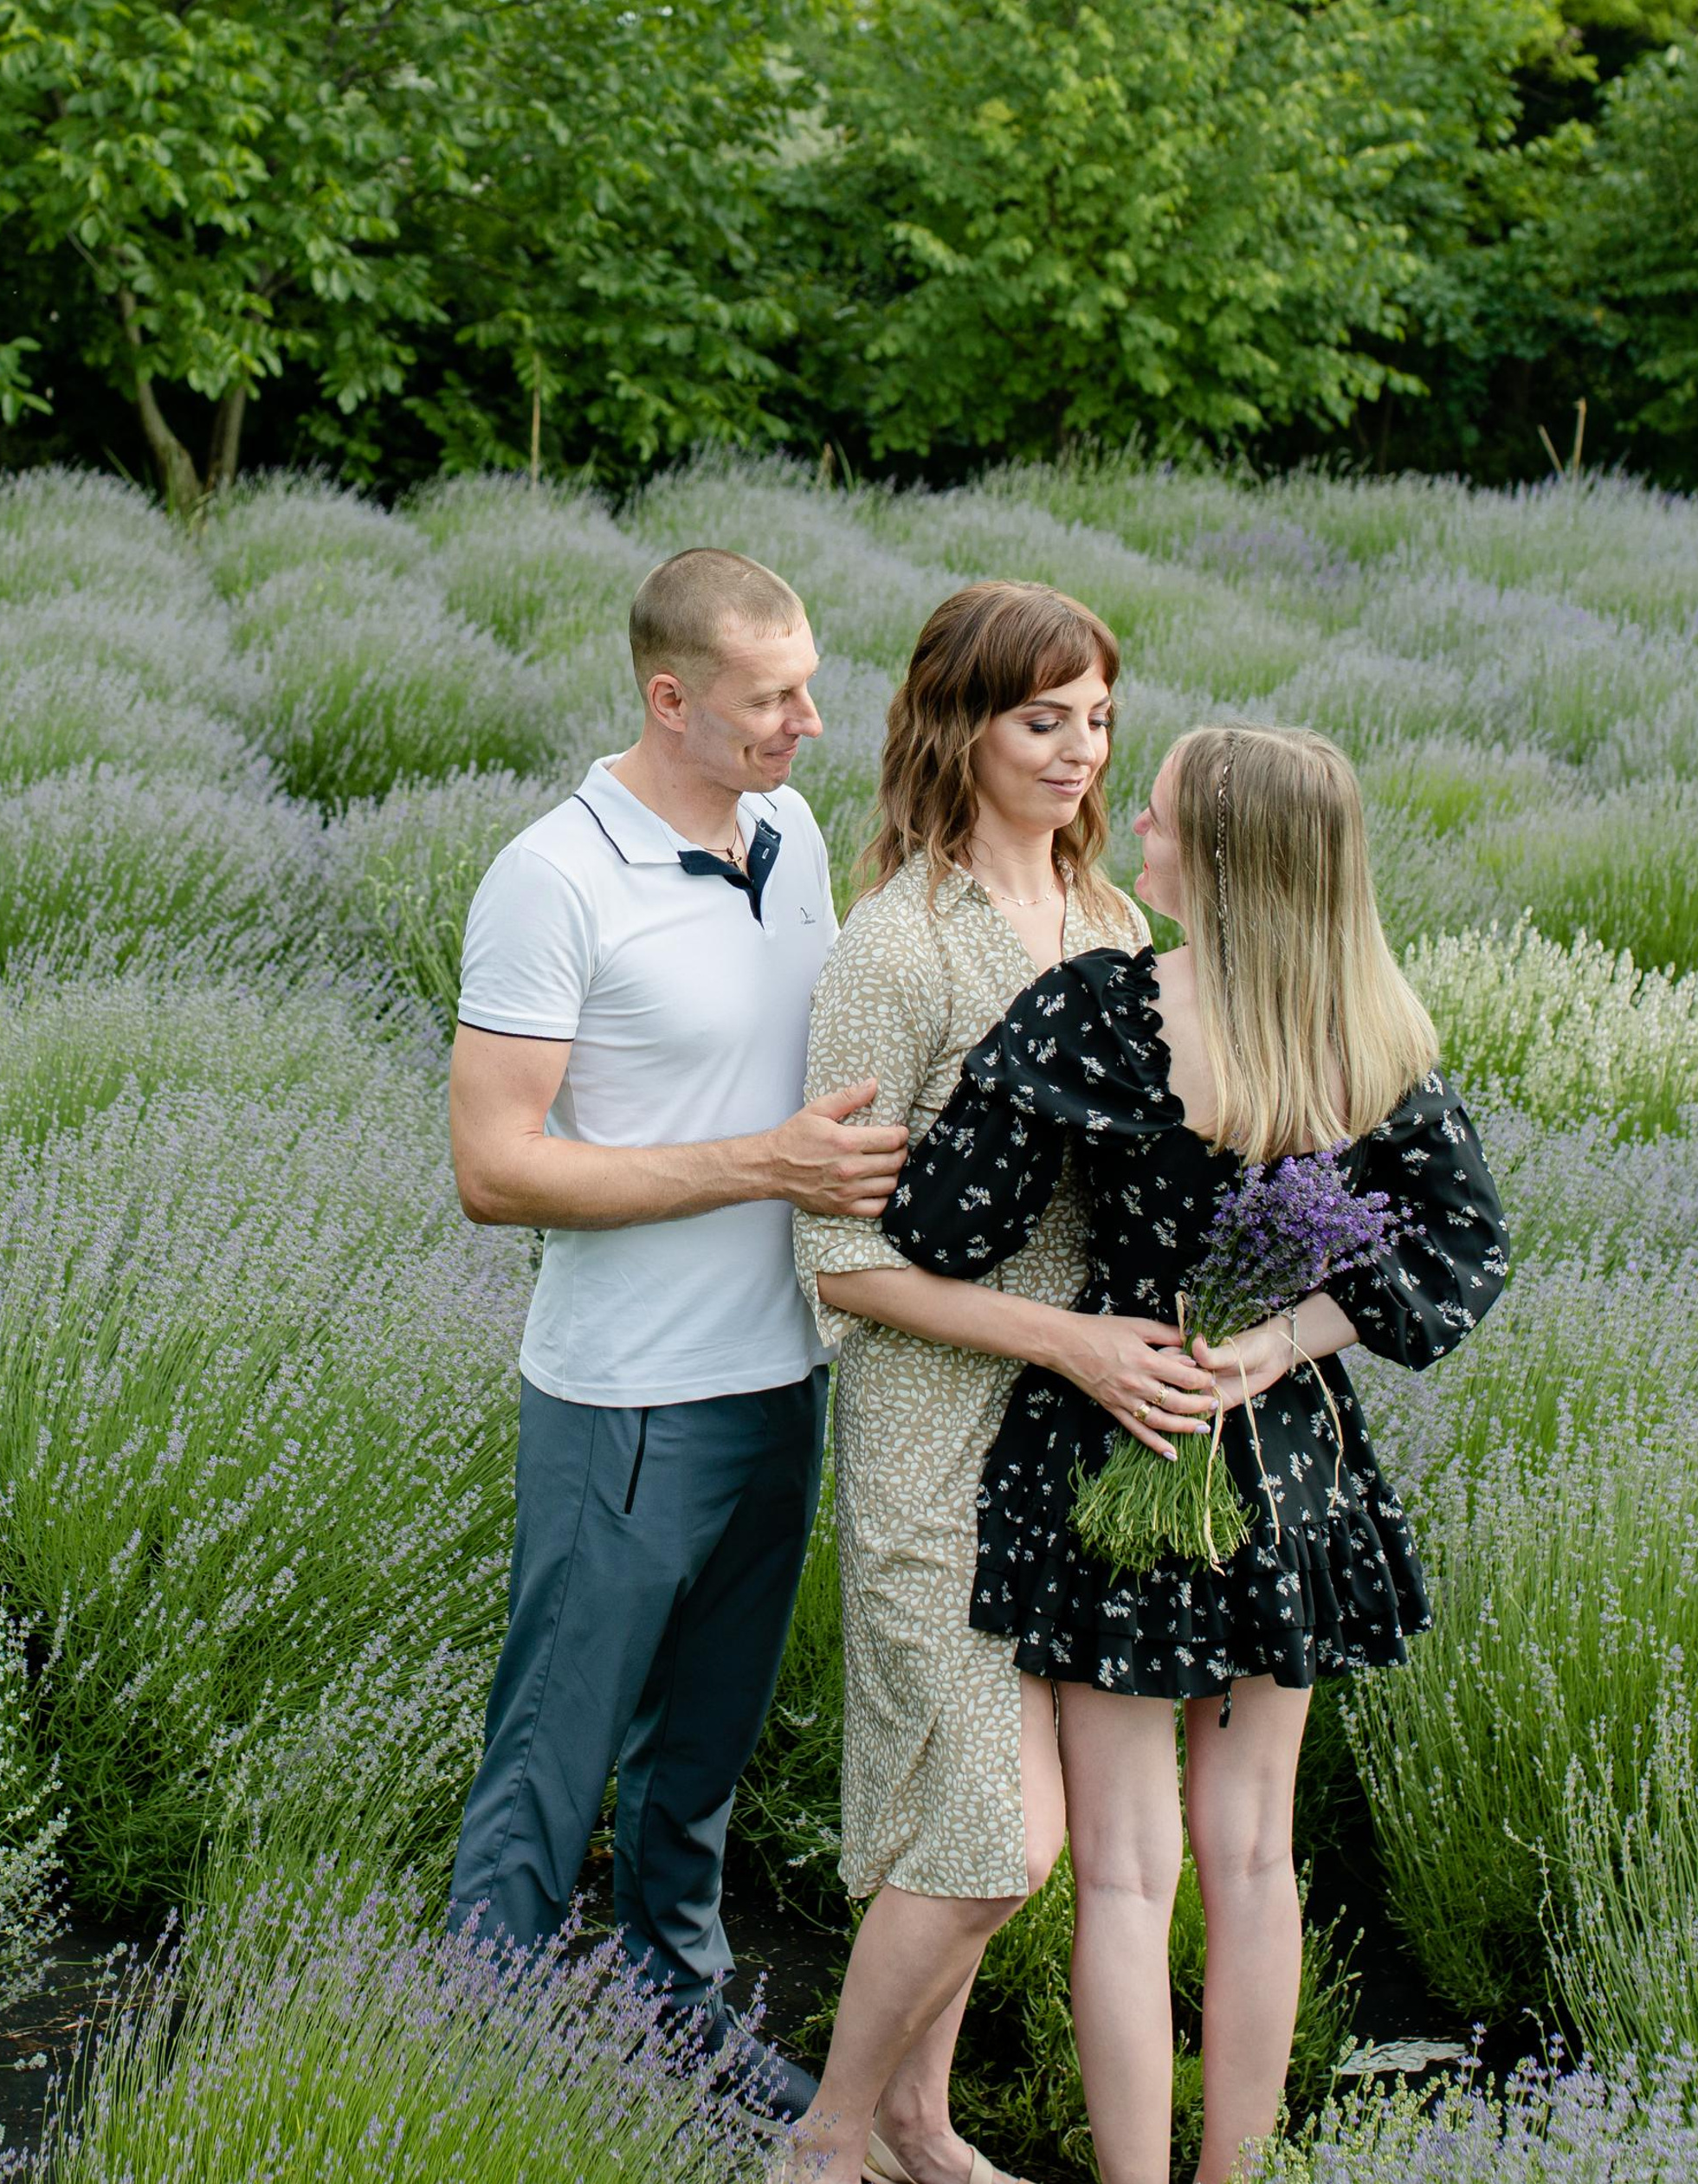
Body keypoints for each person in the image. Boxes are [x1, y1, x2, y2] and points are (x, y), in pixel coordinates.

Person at [881, 725, 1510, 2183]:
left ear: (1219, 856)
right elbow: (1463, 1248)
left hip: (1121, 1434)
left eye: (1158, 814)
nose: (1134, 827)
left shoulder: (1100, 1010)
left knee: (1123, 1871)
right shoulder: (1371, 1036)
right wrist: (1282, 1342)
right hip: (1284, 1471)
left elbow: (945, 1231)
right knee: (1253, 1855)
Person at [443, 547, 909, 2118]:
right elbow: (496, 1171)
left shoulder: (792, 832)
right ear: (670, 699)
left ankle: (675, 2013)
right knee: (553, 1755)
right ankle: (472, 2057)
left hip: (784, 1374)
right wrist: (766, 1164)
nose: (810, 724)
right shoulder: (553, 877)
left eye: (808, 687)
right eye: (773, 699)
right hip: (628, 1400)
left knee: (701, 1751)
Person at [788, 584, 1218, 2184]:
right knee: (991, 1841)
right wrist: (1069, 1340)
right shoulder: (895, 946)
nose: (1079, 749)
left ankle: (918, 2119)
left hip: (1084, 1431)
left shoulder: (1115, 926)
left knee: (984, 1820)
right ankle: (828, 2139)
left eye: (1097, 718)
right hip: (937, 1418)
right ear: (960, 726)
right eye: (1042, 718)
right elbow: (840, 1265)